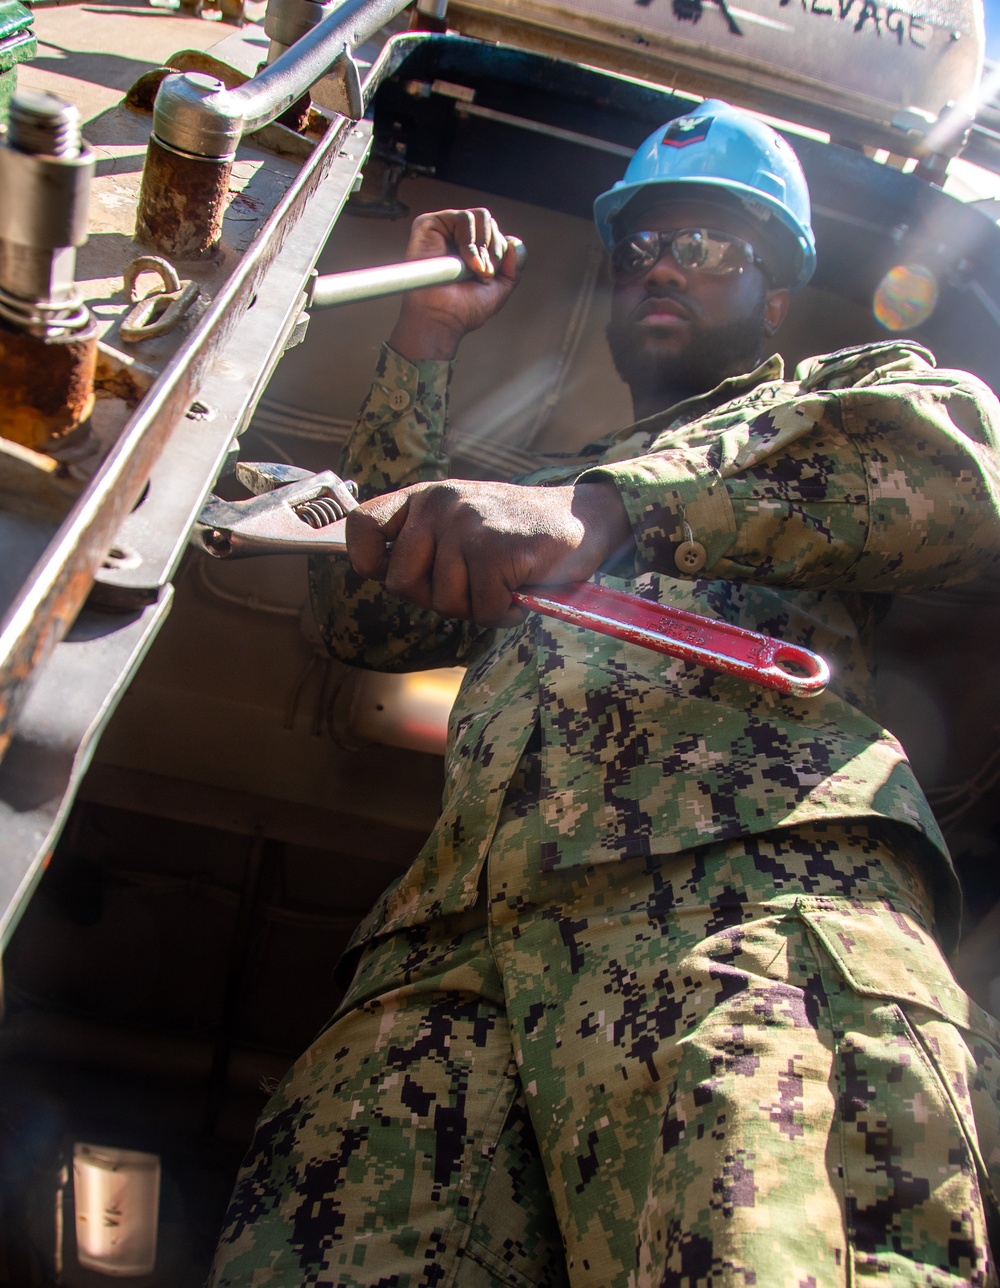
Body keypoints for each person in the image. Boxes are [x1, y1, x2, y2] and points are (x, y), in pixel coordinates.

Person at [211, 100, 1000, 1287]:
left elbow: (958, 466)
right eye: (641, 247)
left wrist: (605, 509)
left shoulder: (838, 400)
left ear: (776, 296)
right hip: (449, 975)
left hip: (743, 917)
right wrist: (426, 342)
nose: (663, 268)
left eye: (710, 247)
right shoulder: (521, 492)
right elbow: (360, 616)